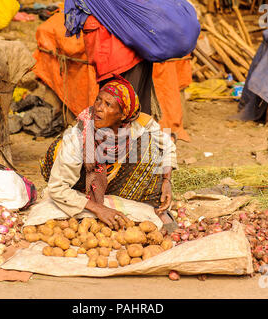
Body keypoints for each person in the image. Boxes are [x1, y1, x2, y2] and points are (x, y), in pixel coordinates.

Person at [40, 75, 177, 231]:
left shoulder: (140, 123)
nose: (98, 107)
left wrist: (166, 181)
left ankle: (152, 207)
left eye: (108, 104)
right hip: (79, 180)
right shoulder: (79, 135)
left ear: (123, 115)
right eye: (98, 100)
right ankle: (90, 200)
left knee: (151, 148)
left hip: (110, 177)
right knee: (61, 151)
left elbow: (168, 146)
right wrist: (99, 209)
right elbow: (57, 188)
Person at [64, 1, 161, 119]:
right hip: (140, 46)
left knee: (115, 114)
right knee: (136, 111)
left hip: (116, 57)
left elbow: (72, 22)